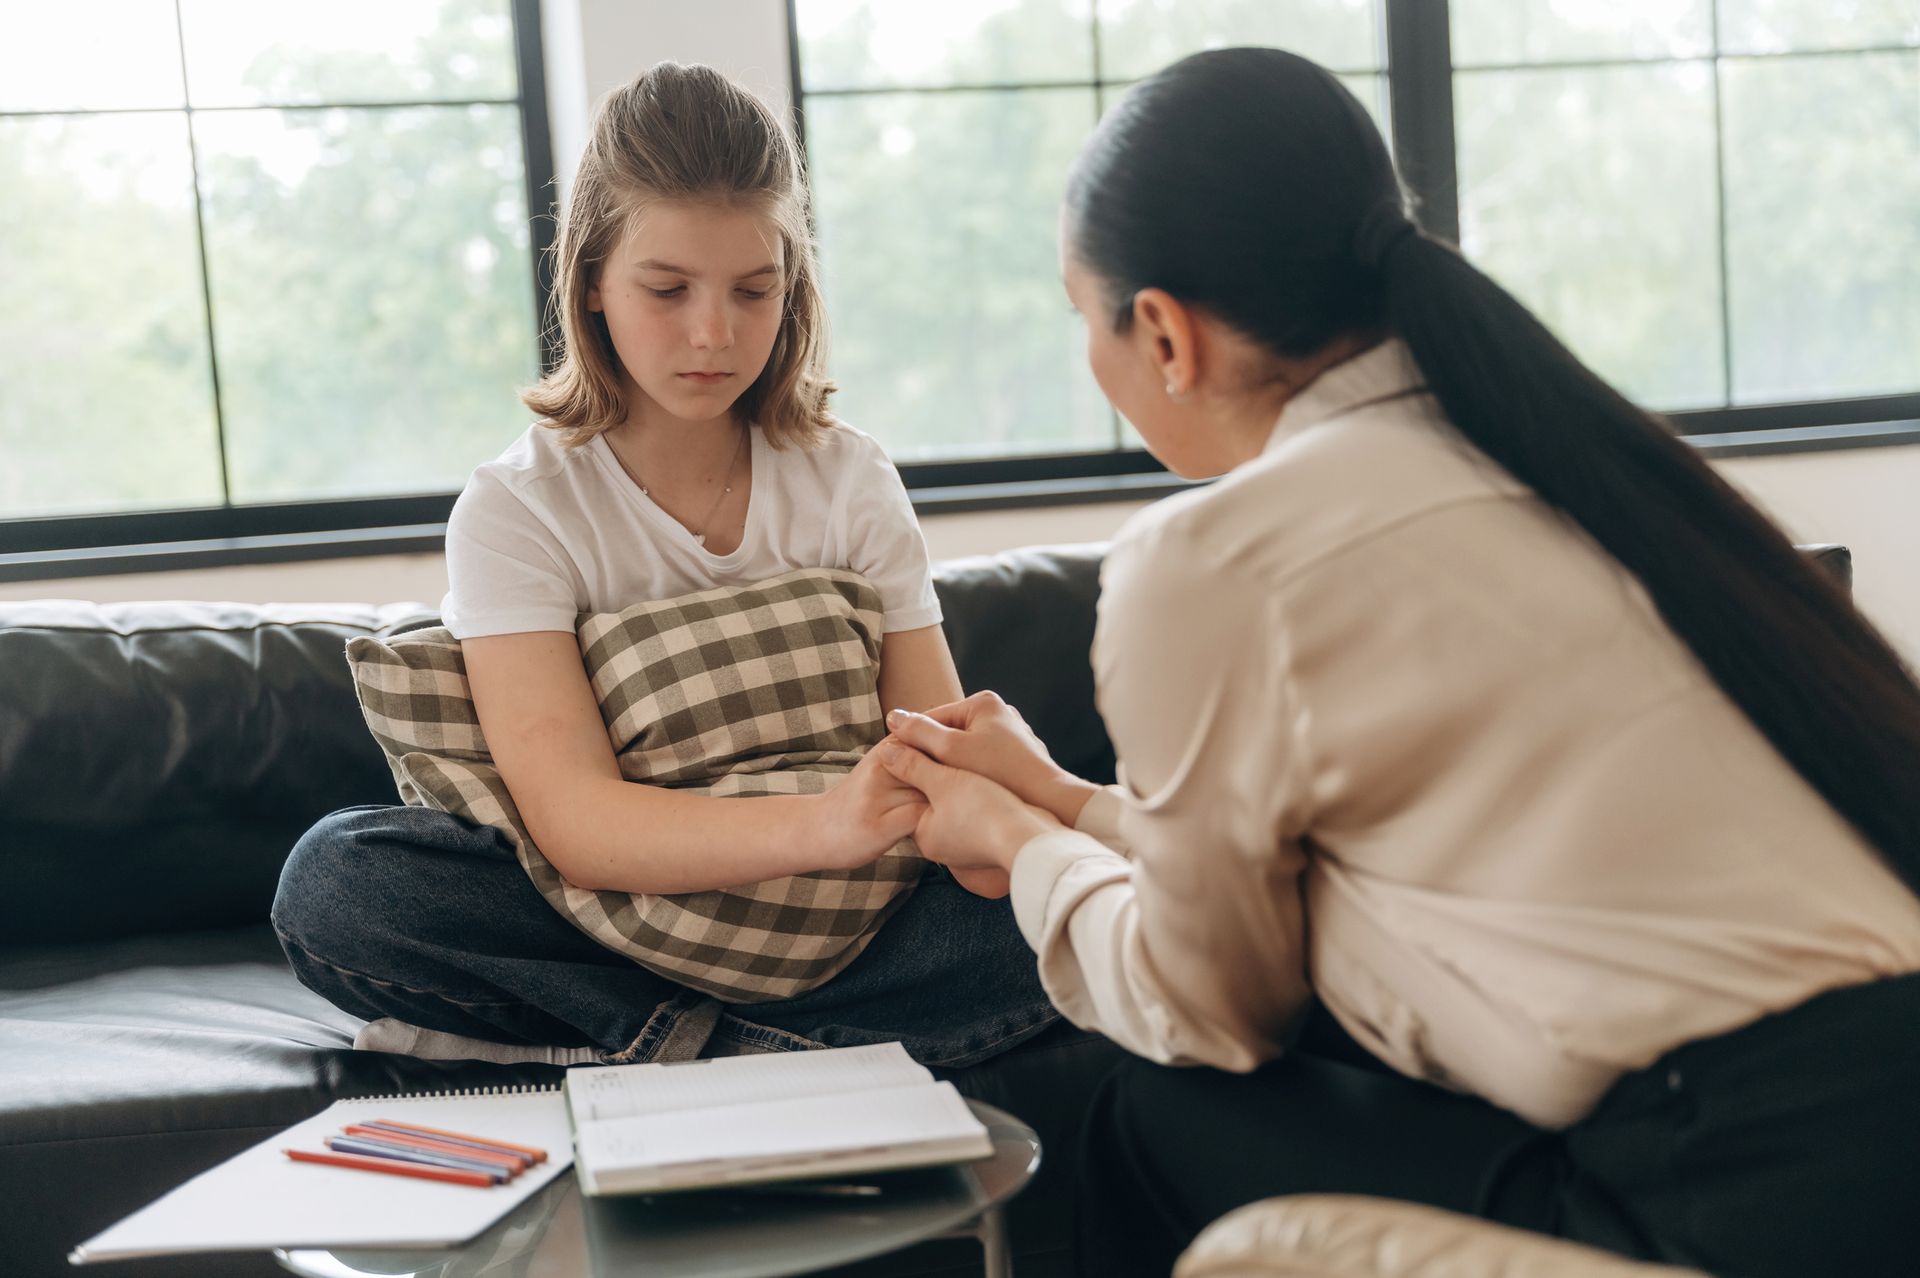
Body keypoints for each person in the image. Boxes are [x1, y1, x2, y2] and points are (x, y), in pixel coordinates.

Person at [875, 46, 1920, 1278]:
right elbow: (1352, 901)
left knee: (1150, 1117)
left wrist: (1018, 848)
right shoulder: (1568, 461)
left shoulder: (1214, 560)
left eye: (1078, 316)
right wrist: (1059, 798)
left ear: (1162, 332)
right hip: (1869, 1138)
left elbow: (1206, 1007)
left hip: (1729, 1194)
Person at [271, 62, 1056, 1071]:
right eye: (667, 288)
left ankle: (663, 1052)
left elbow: (931, 768)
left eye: (754, 289)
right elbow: (580, 829)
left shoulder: (849, 476)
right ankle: (770, 1054)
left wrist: (1004, 818)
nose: (713, 334)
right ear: (593, 280)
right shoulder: (519, 508)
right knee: (341, 879)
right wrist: (824, 823)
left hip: (856, 936)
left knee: (1093, 904)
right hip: (606, 927)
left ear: (794, 286)